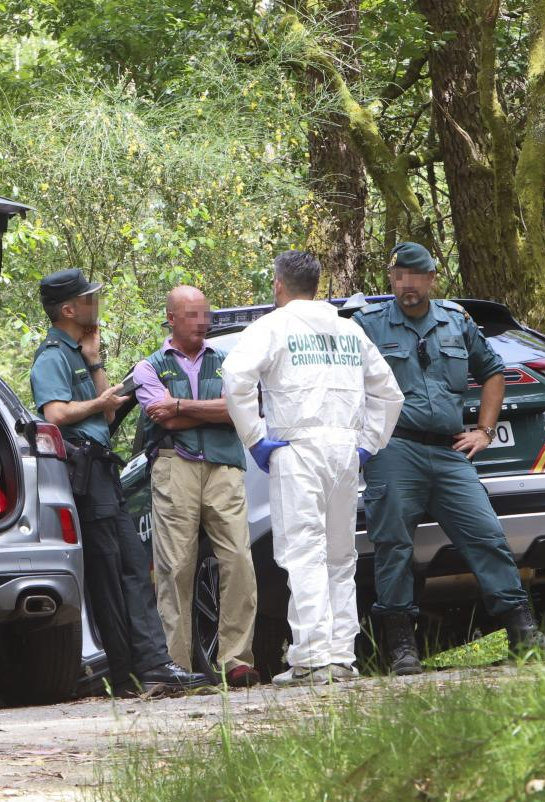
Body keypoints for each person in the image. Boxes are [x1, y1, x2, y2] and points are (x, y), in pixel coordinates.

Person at [353, 242, 545, 674]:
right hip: (394, 448)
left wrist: (485, 432)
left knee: (486, 535)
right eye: (399, 277)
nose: (407, 285)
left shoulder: (456, 323)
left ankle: (524, 635)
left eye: (415, 277)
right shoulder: (368, 326)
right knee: (393, 547)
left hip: (450, 450)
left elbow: (492, 372)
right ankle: (402, 648)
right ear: (392, 279)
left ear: (432, 279)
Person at [223, 251, 405, 685]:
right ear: (317, 285)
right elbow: (390, 393)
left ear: (279, 285)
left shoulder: (273, 326)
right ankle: (342, 656)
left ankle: (312, 657)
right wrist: (368, 444)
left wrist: (255, 438)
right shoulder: (349, 331)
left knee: (303, 551)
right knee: (340, 555)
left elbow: (235, 375)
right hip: (344, 450)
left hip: (297, 447)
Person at [28, 268, 210, 698]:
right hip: (85, 478)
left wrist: (95, 362)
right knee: (115, 575)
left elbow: (108, 416)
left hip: (103, 474)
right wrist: (98, 399)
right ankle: (138, 671)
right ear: (69, 309)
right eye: (89, 298)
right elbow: (54, 415)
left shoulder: (77, 352)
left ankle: (149, 668)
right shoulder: (52, 355)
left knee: (129, 569)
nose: (97, 303)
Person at [129, 285, 259, 687]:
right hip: (174, 467)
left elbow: (240, 409)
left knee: (237, 558)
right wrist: (213, 412)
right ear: (170, 318)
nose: (202, 322)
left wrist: (183, 406)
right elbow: (162, 419)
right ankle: (177, 666)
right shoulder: (148, 367)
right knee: (176, 567)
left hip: (224, 468)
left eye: (205, 314)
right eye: (191, 315)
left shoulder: (227, 361)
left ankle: (235, 659)